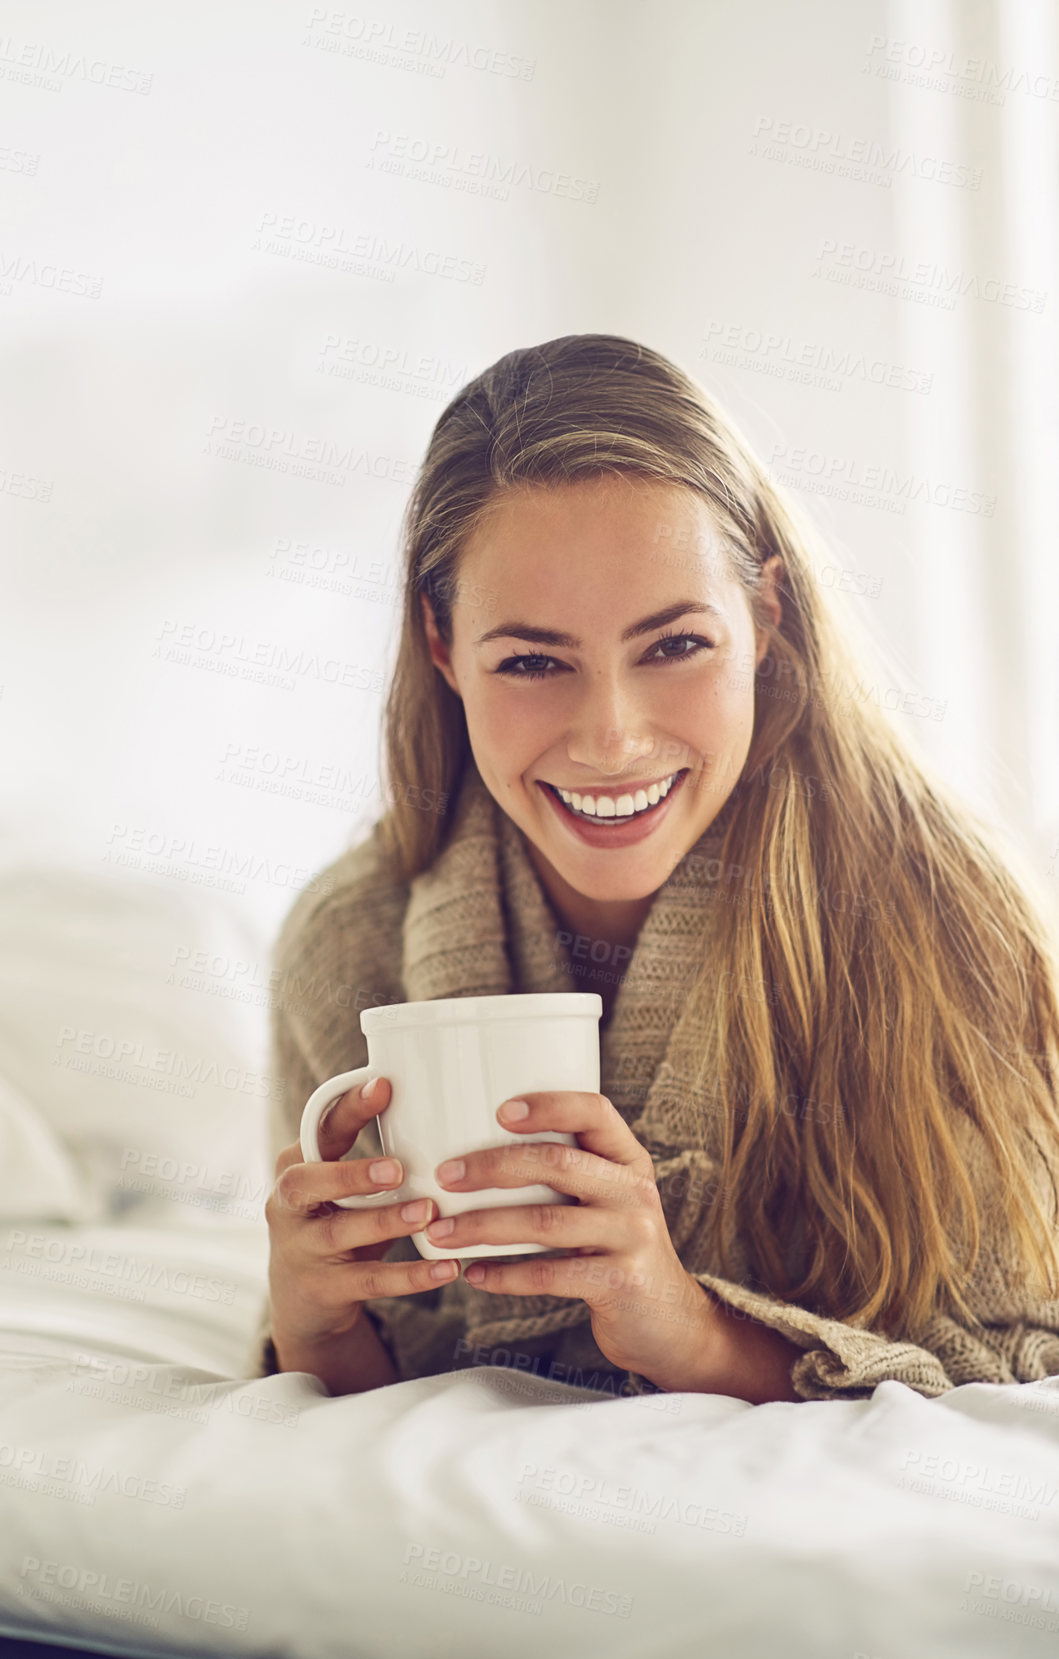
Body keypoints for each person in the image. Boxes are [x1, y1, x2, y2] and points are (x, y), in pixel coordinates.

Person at [252, 333, 1059, 1404]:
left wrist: (693, 1333)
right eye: (534, 662)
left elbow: (1025, 1355)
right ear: (443, 647)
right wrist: (313, 1326)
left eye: (675, 645)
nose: (612, 739)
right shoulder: (351, 938)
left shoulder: (943, 918)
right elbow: (374, 1394)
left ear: (766, 615)